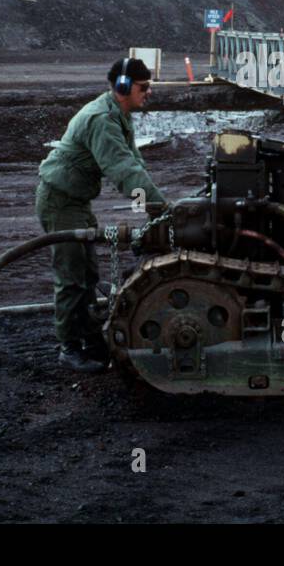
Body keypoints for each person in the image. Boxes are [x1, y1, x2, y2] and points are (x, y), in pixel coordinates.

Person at [36, 57, 166, 372]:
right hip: (60, 201)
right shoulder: (102, 120)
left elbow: (134, 164)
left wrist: (159, 208)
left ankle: (92, 341)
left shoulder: (119, 115)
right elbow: (121, 170)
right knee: (71, 278)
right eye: (143, 87)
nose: (148, 93)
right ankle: (69, 349)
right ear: (123, 86)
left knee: (88, 275)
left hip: (76, 202)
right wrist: (161, 210)